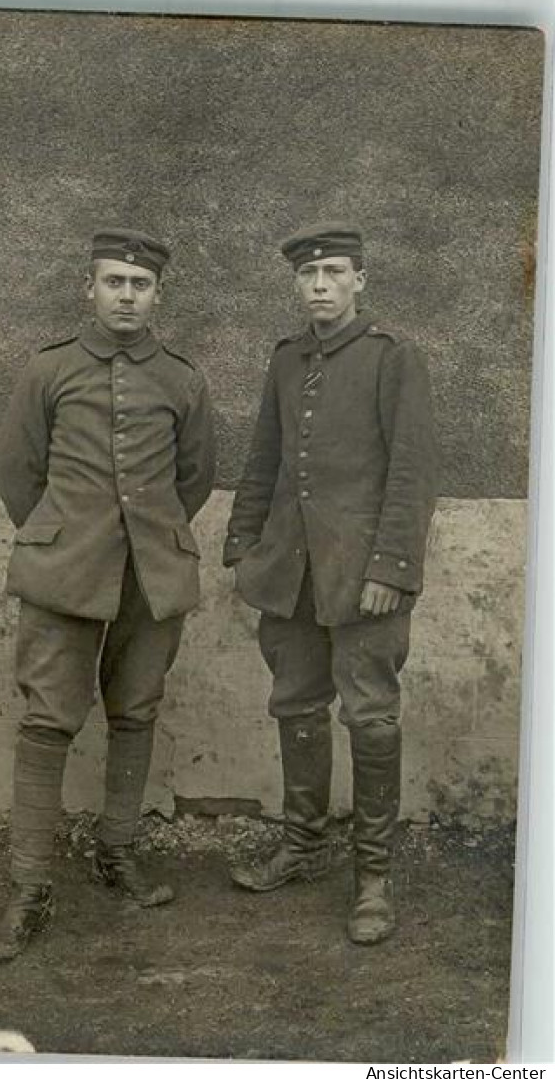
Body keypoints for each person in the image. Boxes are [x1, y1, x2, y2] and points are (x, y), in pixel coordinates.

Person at [0, 228, 216, 963]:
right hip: (65, 572)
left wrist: (142, 540)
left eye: (139, 286)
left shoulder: (180, 379)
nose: (126, 296)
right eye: (113, 282)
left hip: (152, 574)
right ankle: (29, 888)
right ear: (90, 287)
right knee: (48, 720)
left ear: (157, 295)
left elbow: (194, 478)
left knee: (135, 711)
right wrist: (61, 539)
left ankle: (116, 851)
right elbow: (19, 472)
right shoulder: (49, 369)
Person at [223, 222, 439, 944]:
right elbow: (264, 459)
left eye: (335, 271)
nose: (320, 284)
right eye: (309, 274)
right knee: (295, 704)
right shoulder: (286, 360)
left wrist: (390, 569)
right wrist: (243, 547)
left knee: (371, 715)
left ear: (359, 281)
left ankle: (372, 875)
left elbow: (411, 474)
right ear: (296, 283)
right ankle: (302, 843)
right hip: (290, 574)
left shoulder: (391, 358)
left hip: (362, 577)